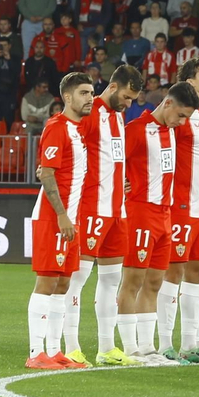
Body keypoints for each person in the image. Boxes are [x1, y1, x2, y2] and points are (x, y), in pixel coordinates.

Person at [59, 64, 142, 368]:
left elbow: (111, 158)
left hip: (116, 210)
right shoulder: (90, 115)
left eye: (133, 99)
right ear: (113, 86)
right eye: (127, 96)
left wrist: (121, 179)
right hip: (91, 207)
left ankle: (107, 347)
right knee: (77, 279)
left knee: (110, 280)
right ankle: (71, 346)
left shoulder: (118, 117)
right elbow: (73, 150)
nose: (129, 103)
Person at [116, 80, 199, 367]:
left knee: (154, 282)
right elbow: (111, 163)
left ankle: (147, 346)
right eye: (180, 115)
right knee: (133, 281)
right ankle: (130, 349)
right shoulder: (136, 131)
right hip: (141, 212)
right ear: (167, 104)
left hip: (165, 215)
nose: (182, 122)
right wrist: (121, 185)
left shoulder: (171, 132)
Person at [26, 71, 94, 369]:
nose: (89, 98)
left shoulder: (78, 130)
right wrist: (63, 215)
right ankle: (34, 353)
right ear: (67, 97)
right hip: (55, 217)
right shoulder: (57, 127)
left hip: (71, 218)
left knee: (64, 284)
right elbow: (48, 173)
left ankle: (54, 351)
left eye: (91, 93)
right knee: (47, 281)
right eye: (83, 93)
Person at [157, 57, 199, 361]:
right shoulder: (181, 117)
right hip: (181, 205)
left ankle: (192, 345)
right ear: (190, 82)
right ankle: (165, 345)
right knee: (173, 272)